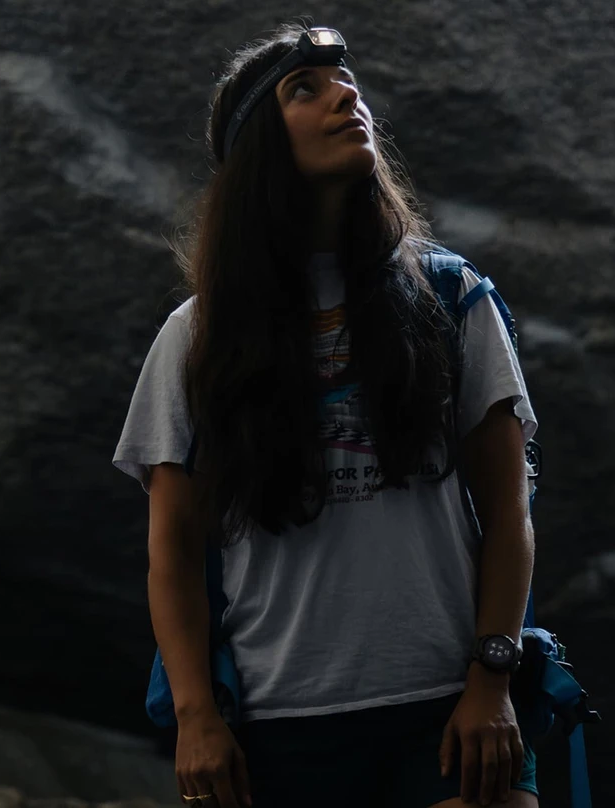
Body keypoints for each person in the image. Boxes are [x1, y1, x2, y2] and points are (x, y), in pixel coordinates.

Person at [113, 20, 539, 808]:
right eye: (305, 90)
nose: (346, 96)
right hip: (276, 728)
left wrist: (493, 679)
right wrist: (197, 716)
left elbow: (509, 507)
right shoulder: (197, 337)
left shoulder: (452, 296)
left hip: (450, 710)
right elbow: (171, 548)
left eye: (347, 81)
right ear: (258, 152)